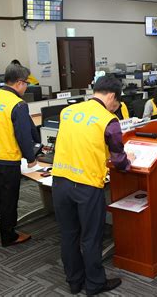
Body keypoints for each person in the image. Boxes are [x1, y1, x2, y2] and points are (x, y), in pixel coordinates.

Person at [51, 75, 135, 295]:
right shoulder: (108, 120)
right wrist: (129, 162)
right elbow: (119, 159)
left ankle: (74, 282)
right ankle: (95, 284)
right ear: (113, 97)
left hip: (59, 181)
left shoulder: (67, 112)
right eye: (117, 103)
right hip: (86, 186)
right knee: (91, 237)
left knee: (69, 234)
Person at [0, 64, 38, 249]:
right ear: (19, 83)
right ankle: (9, 235)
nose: (27, 86)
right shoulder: (17, 104)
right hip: (5, 158)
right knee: (9, 197)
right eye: (26, 83)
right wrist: (31, 157)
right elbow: (23, 134)